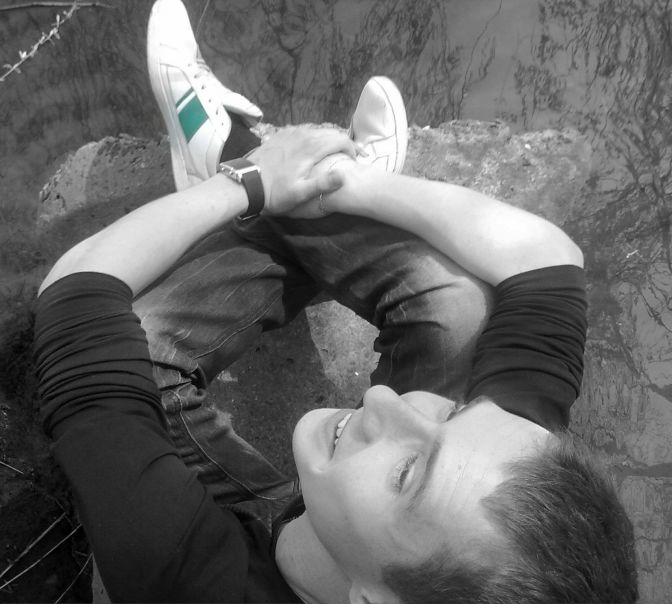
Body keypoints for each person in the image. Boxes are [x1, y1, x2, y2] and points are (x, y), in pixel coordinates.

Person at [33, 0, 638, 602]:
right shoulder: (508, 481)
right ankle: (314, 187)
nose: (381, 400)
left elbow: (73, 299)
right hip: (343, 532)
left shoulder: (187, 582)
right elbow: (547, 260)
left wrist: (245, 184)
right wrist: (354, 186)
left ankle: (229, 153)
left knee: (136, 349)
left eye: (407, 474)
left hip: (234, 542)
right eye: (454, 414)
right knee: (462, 305)